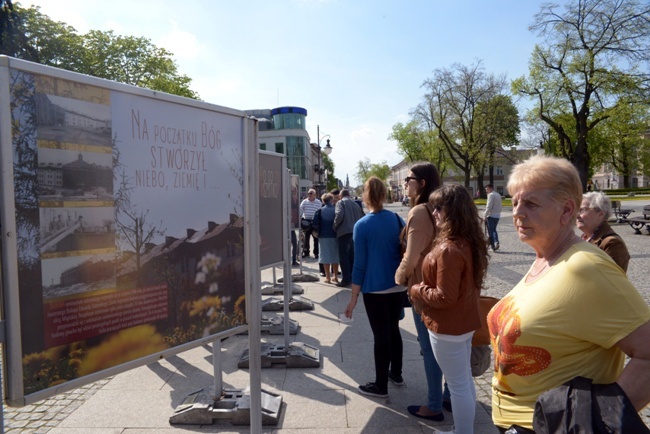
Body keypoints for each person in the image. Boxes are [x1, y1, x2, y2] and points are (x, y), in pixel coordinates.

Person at [488, 155, 650, 432]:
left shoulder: (586, 266)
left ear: (566, 211)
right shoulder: (545, 258)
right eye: (514, 202)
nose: (516, 212)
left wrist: (598, 422)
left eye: (531, 203)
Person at [409, 184, 489, 434]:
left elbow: (445, 297)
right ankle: (463, 429)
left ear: (453, 211)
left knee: (458, 384)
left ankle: (462, 432)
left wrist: (416, 290)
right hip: (462, 324)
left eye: (438, 208)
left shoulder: (449, 249)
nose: (434, 212)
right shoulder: (469, 241)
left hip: (448, 327)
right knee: (462, 381)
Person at [394, 163, 451, 421]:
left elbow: (412, 257)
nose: (405, 183)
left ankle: (433, 404)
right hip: (444, 285)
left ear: (423, 183)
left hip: (423, 290)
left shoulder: (420, 211)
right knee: (447, 345)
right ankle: (449, 395)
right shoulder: (443, 209)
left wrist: (399, 277)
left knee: (429, 347)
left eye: (409, 179)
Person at [345, 177, 405, 398]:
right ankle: (396, 373)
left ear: (366, 196)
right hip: (398, 286)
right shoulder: (397, 219)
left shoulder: (362, 225)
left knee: (380, 335)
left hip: (375, 289)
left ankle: (380, 385)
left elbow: (359, 264)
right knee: (394, 330)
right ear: (384, 195)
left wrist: (353, 298)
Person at [577, 191, 630, 272]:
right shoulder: (585, 237)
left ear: (601, 214)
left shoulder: (612, 243)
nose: (577, 215)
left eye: (582, 210)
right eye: (577, 210)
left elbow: (613, 279)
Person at [333, 189, 365, 287]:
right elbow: (362, 216)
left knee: (344, 257)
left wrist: (334, 226)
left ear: (340, 196)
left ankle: (346, 279)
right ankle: (352, 278)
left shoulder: (340, 203)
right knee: (352, 257)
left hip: (344, 232)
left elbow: (339, 215)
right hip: (355, 233)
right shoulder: (356, 204)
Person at [316, 193, 339, 284]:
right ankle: (336, 276)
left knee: (325, 256)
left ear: (323, 201)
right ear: (332, 200)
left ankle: (328, 277)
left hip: (323, 235)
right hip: (335, 235)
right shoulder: (336, 210)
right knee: (335, 256)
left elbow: (315, 223)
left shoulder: (320, 210)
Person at [299, 188, 321, 258]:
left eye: (311, 193)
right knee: (306, 238)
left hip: (315, 222)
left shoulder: (318, 202)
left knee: (316, 238)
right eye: (308, 193)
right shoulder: (304, 202)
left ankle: (316, 253)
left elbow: (320, 212)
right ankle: (306, 252)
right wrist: (299, 217)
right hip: (306, 222)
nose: (309, 195)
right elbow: (300, 210)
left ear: (314, 195)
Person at [484, 184, 502, 251]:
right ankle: (496, 241)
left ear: (491, 188)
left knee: (490, 231)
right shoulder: (498, 194)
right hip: (497, 215)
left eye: (487, 189)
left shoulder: (491, 195)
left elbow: (489, 206)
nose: (486, 191)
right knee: (494, 229)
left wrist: (485, 215)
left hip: (491, 215)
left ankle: (493, 246)